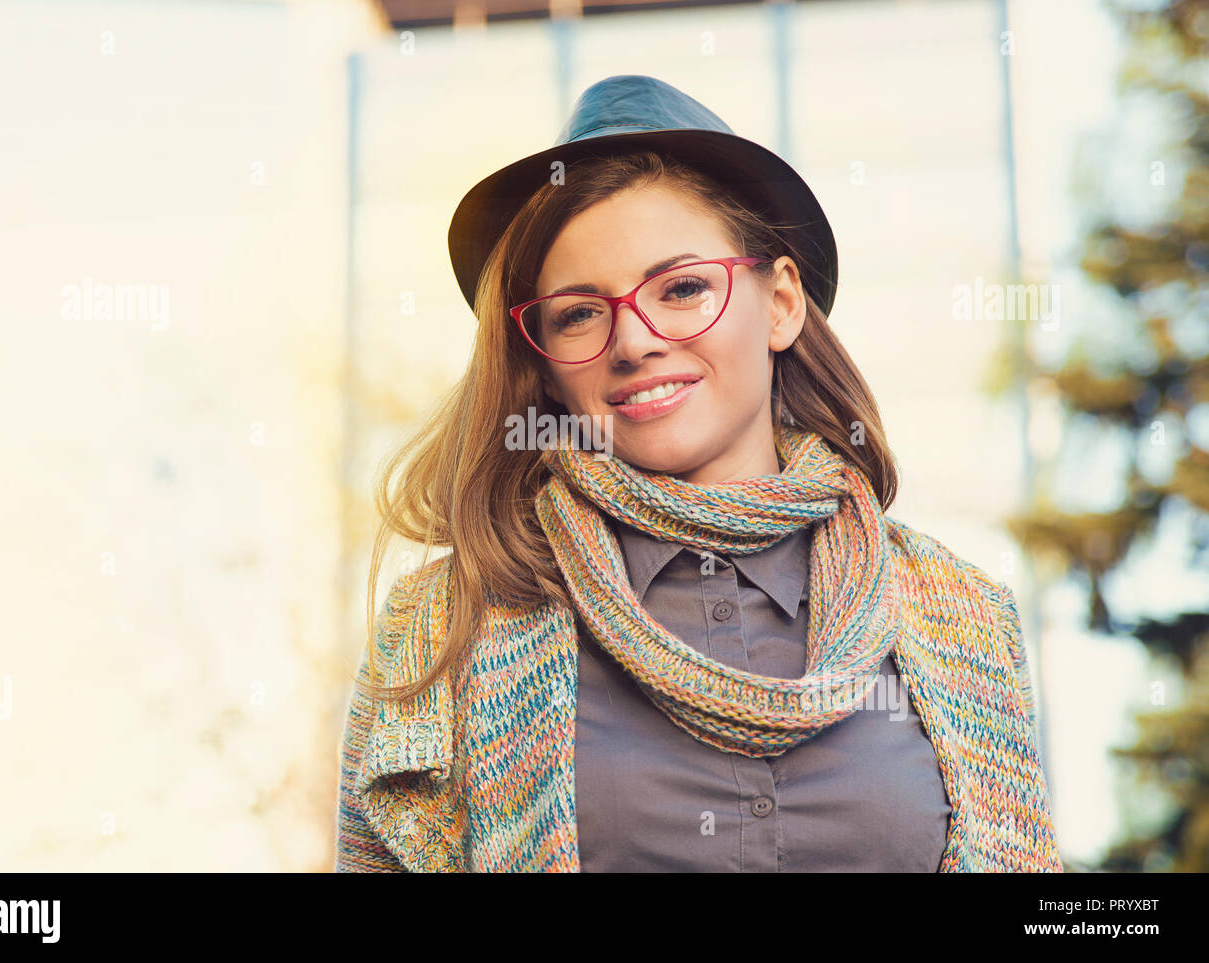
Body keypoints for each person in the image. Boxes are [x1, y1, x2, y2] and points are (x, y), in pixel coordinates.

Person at [335, 74, 1063, 873]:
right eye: (579, 312)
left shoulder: (963, 616)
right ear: (542, 366)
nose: (634, 340)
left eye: (681, 288)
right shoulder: (443, 627)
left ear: (780, 303)